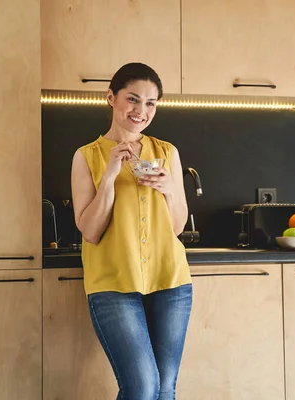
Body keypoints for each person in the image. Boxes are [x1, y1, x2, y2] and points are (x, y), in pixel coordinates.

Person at [70, 62, 193, 400]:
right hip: (113, 284)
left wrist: (168, 188)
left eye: (151, 103)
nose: (141, 111)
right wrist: (109, 175)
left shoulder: (167, 153)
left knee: (165, 390)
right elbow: (91, 231)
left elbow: (178, 226)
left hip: (171, 282)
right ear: (111, 98)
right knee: (142, 388)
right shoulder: (87, 157)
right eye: (133, 99)